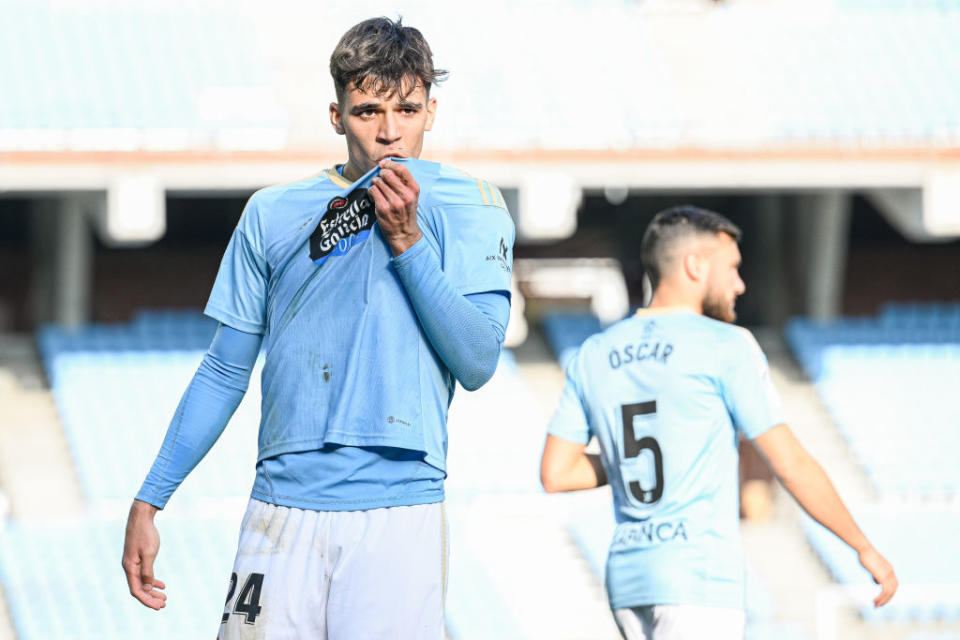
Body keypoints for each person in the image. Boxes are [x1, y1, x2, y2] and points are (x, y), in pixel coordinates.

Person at [121, 17, 514, 639]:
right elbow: (225, 368)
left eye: (407, 109)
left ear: (432, 111)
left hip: (398, 510)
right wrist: (151, 496)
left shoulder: (474, 203)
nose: (390, 133)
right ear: (336, 116)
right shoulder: (271, 211)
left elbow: (478, 360)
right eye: (368, 112)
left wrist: (408, 241)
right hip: (281, 509)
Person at [539, 206, 896, 640]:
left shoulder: (594, 353)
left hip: (628, 577)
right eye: (733, 269)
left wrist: (649, 453)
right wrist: (863, 547)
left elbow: (557, 474)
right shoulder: (726, 345)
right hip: (698, 575)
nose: (740, 284)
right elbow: (791, 464)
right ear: (695, 266)